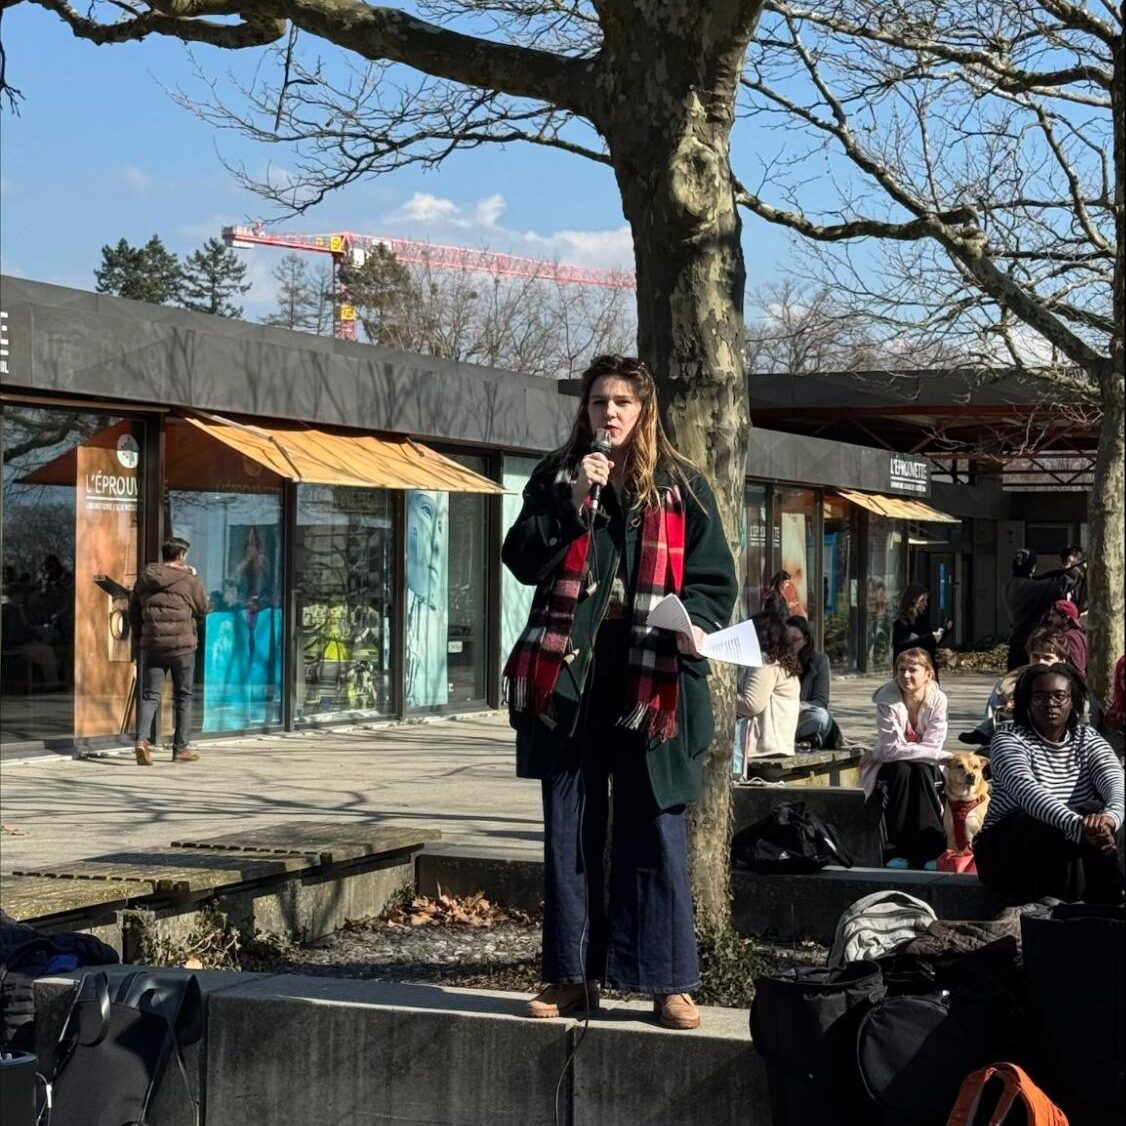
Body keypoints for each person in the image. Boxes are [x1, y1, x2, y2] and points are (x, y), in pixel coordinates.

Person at [501, 354, 737, 1032]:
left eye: (622, 402)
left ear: (643, 411)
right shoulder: (558, 475)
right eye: (599, 401)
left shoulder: (683, 485)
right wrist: (572, 501)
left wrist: (696, 624)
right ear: (586, 409)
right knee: (570, 828)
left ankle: (667, 983)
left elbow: (714, 581)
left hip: (652, 676)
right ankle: (571, 976)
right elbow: (521, 560)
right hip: (569, 675)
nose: (609, 412)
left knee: (655, 826)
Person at [974, 663, 1124, 905]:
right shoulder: (1008, 740)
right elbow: (1029, 795)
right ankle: (1070, 910)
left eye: (1059, 696)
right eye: (1040, 697)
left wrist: (1110, 819)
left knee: (1101, 813)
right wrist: (1081, 827)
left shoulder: (1088, 739)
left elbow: (1115, 782)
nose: (1050, 703)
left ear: (1073, 701)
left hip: (1076, 839)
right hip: (1011, 850)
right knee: (1047, 825)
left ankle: (1109, 905)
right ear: (1027, 702)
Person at [863, 647, 950, 869]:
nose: (906, 675)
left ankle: (931, 850)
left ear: (928, 674)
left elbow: (933, 745)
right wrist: (936, 755)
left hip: (926, 766)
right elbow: (892, 751)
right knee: (901, 771)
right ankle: (896, 849)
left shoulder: (938, 699)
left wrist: (914, 751)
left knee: (921, 771)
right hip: (892, 765)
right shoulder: (886, 699)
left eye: (913, 670)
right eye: (901, 670)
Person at [128, 537, 210, 765]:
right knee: (183, 697)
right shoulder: (188, 580)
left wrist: (141, 637)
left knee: (150, 696)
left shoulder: (145, 578)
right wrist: (195, 577)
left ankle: (142, 740)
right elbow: (203, 608)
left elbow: (133, 610)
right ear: (182, 555)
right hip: (182, 647)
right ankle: (180, 749)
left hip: (152, 646)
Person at [958, 626, 1070, 748]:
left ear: (1062, 660)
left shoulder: (1071, 684)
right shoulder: (1012, 681)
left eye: (1047, 658)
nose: (1040, 662)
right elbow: (995, 710)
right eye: (1035, 657)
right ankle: (985, 732)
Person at [736, 612, 801, 764]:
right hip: (782, 746)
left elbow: (751, 705)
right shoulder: (784, 663)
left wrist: (724, 697)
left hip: (764, 748)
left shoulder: (766, 663)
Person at [1003, 548, 1073, 671]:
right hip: (1030, 643)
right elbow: (1060, 586)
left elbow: (1040, 580)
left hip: (1015, 643)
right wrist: (1073, 569)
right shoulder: (1030, 588)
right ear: (1033, 567)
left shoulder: (1010, 585)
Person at [787, 614, 838, 749]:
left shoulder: (819, 661)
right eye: (786, 640)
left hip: (800, 713)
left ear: (805, 640)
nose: (790, 645)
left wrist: (795, 706)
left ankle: (804, 737)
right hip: (781, 715)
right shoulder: (778, 659)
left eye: (794, 640)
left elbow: (820, 701)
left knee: (821, 717)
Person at [892, 583, 951, 673]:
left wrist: (945, 630)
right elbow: (903, 646)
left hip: (926, 668)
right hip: (910, 669)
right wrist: (928, 638)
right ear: (913, 601)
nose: (925, 604)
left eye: (926, 600)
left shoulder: (921, 620)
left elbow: (930, 643)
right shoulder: (901, 622)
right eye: (922, 600)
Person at [1046, 598, 1087, 676]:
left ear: (1066, 619)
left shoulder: (1068, 638)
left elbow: (1075, 669)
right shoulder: (1080, 635)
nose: (1049, 619)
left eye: (1053, 615)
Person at [1059, 544, 1087, 613]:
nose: (1080, 563)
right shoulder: (1070, 577)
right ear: (1070, 558)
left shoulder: (1057, 575)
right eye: (1078, 559)